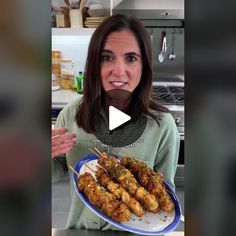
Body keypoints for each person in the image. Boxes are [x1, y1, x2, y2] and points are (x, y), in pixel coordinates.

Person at [52, 14, 180, 230]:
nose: (118, 71)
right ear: (94, 63)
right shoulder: (71, 114)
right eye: (106, 57)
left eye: (131, 58)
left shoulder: (164, 126)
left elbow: (163, 200)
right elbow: (55, 171)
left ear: (144, 66)